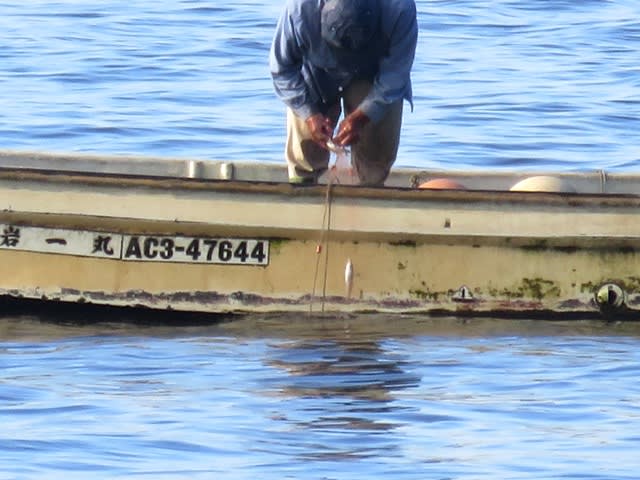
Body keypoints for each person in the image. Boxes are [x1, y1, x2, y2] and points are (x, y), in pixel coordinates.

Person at [269, 0, 418, 186]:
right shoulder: (300, 9)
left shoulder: (400, 9)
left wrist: (364, 115)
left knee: (375, 153)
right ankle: (303, 188)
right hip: (317, 71)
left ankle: (371, 191)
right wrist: (309, 114)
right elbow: (282, 69)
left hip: (372, 73)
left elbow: (395, 75)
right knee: (306, 148)